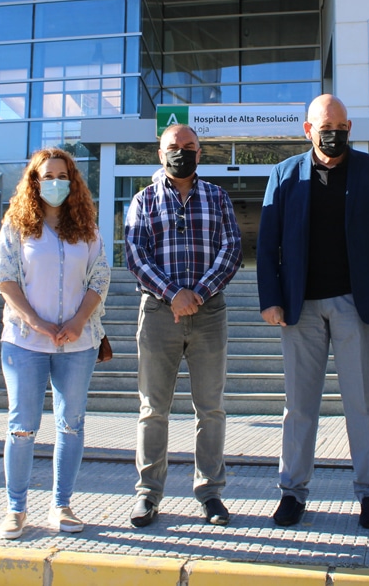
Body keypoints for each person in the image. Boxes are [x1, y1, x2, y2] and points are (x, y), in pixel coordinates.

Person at [256, 94, 369, 530]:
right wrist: (270, 298)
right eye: (324, 126)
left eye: (340, 125)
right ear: (308, 130)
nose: (333, 133)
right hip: (300, 309)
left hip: (355, 306)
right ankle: (292, 493)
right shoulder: (284, 176)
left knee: (363, 405)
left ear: (350, 128)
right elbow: (267, 243)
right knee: (299, 407)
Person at [0, 147, 111, 540]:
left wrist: (77, 321)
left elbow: (99, 278)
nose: (55, 182)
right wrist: (35, 320)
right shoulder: (16, 225)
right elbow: (4, 277)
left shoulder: (86, 228)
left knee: (70, 426)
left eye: (62, 175)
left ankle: (62, 505)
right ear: (34, 181)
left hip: (77, 343)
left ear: (72, 182)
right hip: (25, 342)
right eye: (47, 175)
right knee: (22, 426)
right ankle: (16, 509)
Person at [123, 123, 242, 528]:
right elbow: (136, 256)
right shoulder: (143, 200)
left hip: (209, 314)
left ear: (200, 153)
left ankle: (210, 493)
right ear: (161, 154)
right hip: (159, 314)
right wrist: (174, 294)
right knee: (153, 409)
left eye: (189, 147)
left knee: (210, 409)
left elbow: (231, 249)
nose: (182, 152)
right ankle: (147, 494)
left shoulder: (217, 197)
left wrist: (199, 293)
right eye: (174, 147)